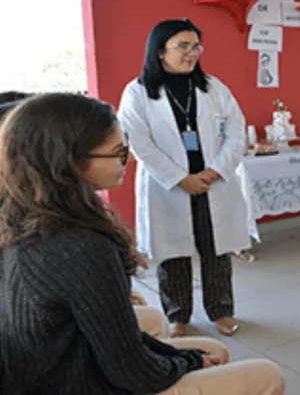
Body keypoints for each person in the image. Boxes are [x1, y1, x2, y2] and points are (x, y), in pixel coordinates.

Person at [0, 93, 285, 395]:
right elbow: (130, 372)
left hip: (44, 367)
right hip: (71, 381)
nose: (130, 158)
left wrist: (182, 358)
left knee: (209, 348)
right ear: (70, 163)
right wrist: (187, 362)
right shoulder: (80, 245)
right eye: (118, 151)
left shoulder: (24, 214)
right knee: (267, 374)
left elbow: (113, 336)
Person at [118, 19, 250, 337]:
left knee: (215, 248)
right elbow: (137, 142)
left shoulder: (213, 87)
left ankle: (221, 310)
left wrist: (215, 170)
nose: (192, 53)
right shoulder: (137, 92)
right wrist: (179, 178)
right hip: (169, 187)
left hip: (212, 182)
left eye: (196, 46)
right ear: (160, 50)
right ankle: (177, 314)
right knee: (172, 252)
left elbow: (236, 131)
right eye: (183, 46)